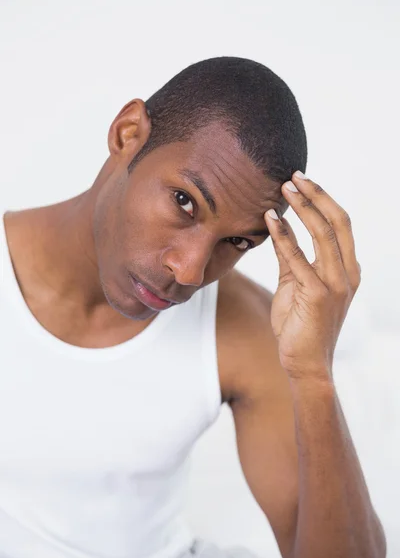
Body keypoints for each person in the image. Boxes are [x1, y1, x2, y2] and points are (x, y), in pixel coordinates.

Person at [0, 56, 386, 558]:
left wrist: (312, 373)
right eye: (184, 202)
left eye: (236, 242)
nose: (190, 272)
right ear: (126, 135)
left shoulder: (244, 331)